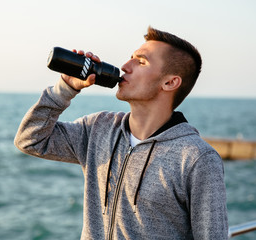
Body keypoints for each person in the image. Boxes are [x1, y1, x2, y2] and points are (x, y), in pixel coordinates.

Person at [14, 26, 228, 239]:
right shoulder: (98, 129)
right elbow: (30, 140)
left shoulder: (197, 158)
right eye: (130, 58)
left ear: (170, 82)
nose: (125, 66)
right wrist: (66, 88)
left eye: (141, 62)